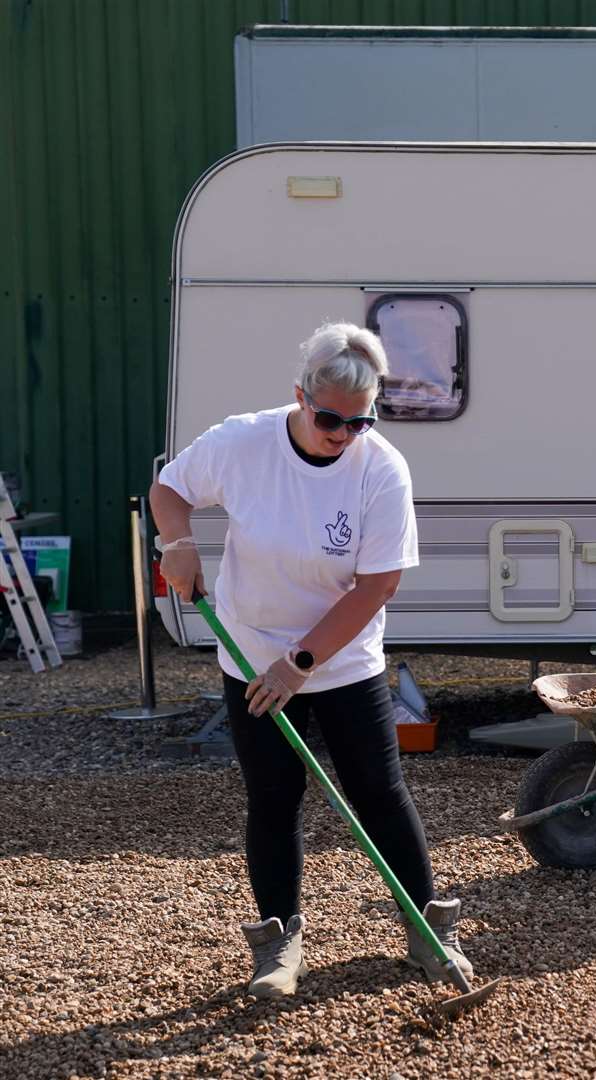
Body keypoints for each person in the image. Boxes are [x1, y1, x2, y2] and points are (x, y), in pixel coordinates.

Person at [149, 322, 473, 999]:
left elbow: (378, 585)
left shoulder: (381, 467)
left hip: (343, 661)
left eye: (361, 422)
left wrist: (300, 663)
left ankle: (427, 932)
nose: (344, 434)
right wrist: (177, 542)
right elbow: (170, 489)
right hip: (251, 653)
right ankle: (278, 944)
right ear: (299, 397)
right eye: (331, 419)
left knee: (378, 793)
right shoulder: (242, 442)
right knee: (273, 798)